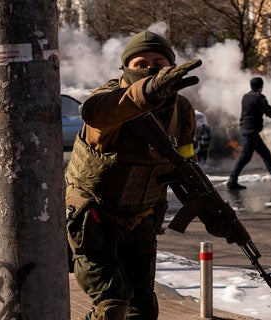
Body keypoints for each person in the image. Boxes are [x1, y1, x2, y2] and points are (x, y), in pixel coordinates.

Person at [64, 31, 233, 320]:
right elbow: (94, 113)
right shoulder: (108, 100)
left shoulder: (181, 110)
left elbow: (186, 167)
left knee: (143, 309)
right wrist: (147, 92)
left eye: (159, 61)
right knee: (112, 307)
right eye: (140, 63)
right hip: (94, 221)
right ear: (125, 67)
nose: (150, 68)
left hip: (142, 218)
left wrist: (215, 215)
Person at [227, 77, 271, 190]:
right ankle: (232, 181)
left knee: (265, 153)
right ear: (261, 86)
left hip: (246, 128)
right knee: (245, 157)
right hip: (251, 130)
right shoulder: (259, 97)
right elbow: (268, 111)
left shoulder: (245, 96)